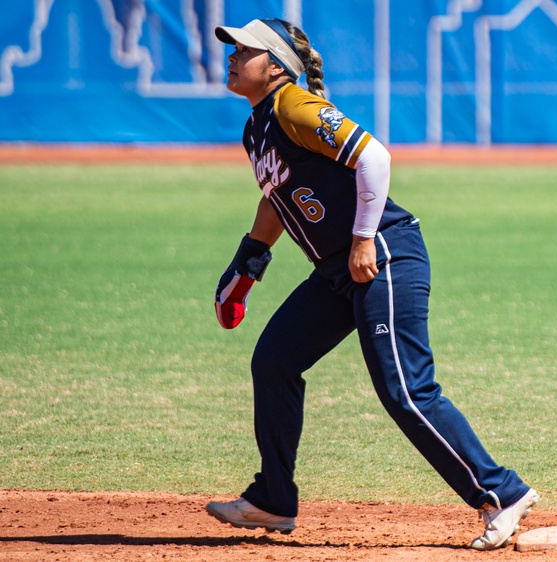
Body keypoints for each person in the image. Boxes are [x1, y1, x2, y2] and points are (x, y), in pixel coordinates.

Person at [205, 18, 538, 549]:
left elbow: (375, 158)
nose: (232, 55)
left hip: (382, 254)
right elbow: (276, 195)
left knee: (405, 389)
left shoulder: (293, 105)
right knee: (274, 360)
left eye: (245, 49)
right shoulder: (257, 127)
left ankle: (501, 492)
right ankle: (272, 498)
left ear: (274, 66)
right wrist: (249, 262)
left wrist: (363, 238)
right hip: (339, 269)